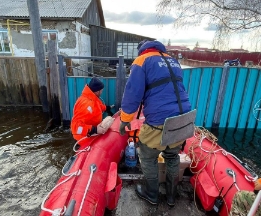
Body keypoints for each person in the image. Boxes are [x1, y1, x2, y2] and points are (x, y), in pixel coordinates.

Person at [118, 40, 191, 207]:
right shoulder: (173, 61)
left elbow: (132, 93)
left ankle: (152, 194)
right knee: (172, 156)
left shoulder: (141, 61)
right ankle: (172, 196)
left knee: (147, 156)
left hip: (159, 119)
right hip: (183, 118)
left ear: (141, 50)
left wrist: (125, 119)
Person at [71, 77, 113, 145]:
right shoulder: (86, 104)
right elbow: (76, 127)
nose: (102, 92)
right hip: (83, 139)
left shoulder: (93, 98)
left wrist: (106, 108)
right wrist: (94, 130)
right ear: (97, 91)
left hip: (92, 134)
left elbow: (98, 106)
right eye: (101, 90)